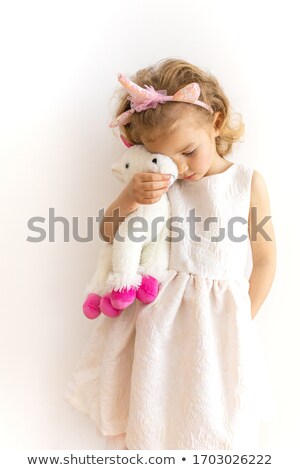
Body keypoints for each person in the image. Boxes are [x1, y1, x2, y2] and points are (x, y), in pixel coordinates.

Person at [65, 58, 277, 450]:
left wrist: (242, 319)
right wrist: (128, 198)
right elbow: (109, 233)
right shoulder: (161, 182)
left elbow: (264, 260)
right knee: (154, 412)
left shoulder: (247, 183)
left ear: (216, 122)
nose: (180, 167)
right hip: (156, 319)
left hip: (219, 324)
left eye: (188, 151)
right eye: (167, 156)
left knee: (216, 419)